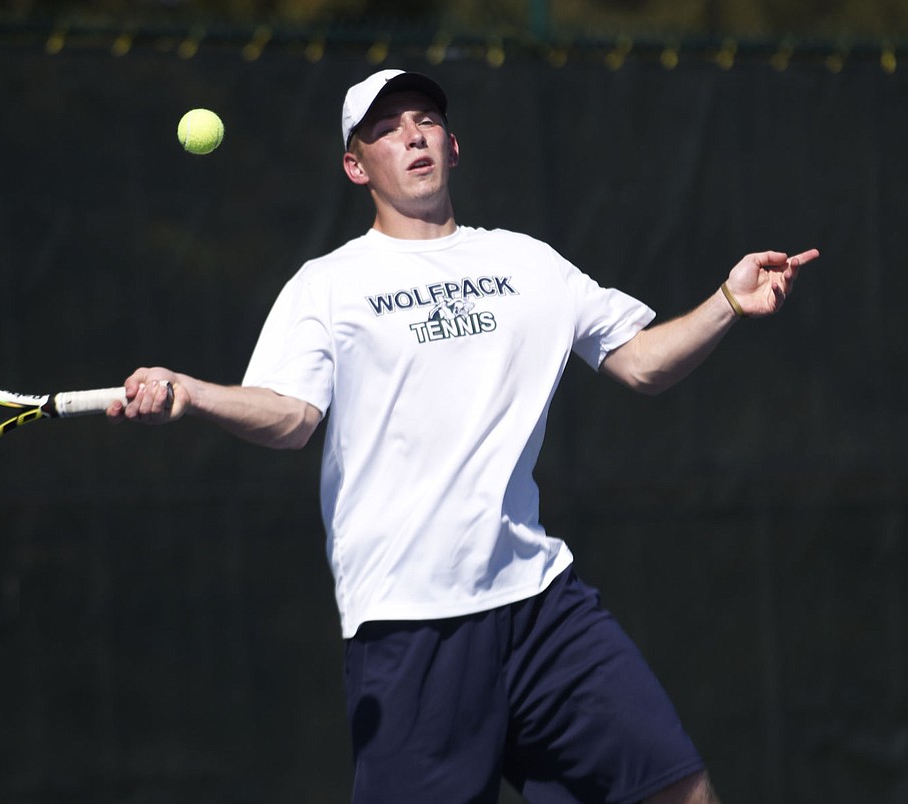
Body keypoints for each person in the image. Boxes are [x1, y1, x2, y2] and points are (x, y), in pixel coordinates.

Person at [107, 69, 818, 804]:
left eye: (424, 120)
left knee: (678, 791)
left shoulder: (528, 263)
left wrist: (729, 302)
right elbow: (290, 417)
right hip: (411, 622)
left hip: (542, 602)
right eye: (385, 129)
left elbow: (639, 363)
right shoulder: (326, 285)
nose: (411, 135)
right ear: (357, 166)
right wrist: (193, 394)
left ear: (453, 145)